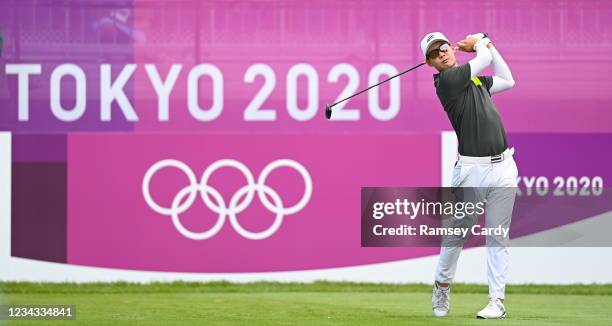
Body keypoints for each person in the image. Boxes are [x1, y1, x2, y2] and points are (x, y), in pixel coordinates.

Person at [420, 32, 518, 319]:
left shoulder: (473, 79)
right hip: (472, 170)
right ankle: (442, 284)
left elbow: (507, 79)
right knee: (458, 233)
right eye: (436, 53)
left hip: (503, 167)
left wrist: (488, 44)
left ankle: (496, 301)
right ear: (430, 63)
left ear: (451, 48)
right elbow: (483, 58)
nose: (443, 54)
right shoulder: (448, 81)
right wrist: (479, 42)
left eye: (445, 48)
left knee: (497, 235)